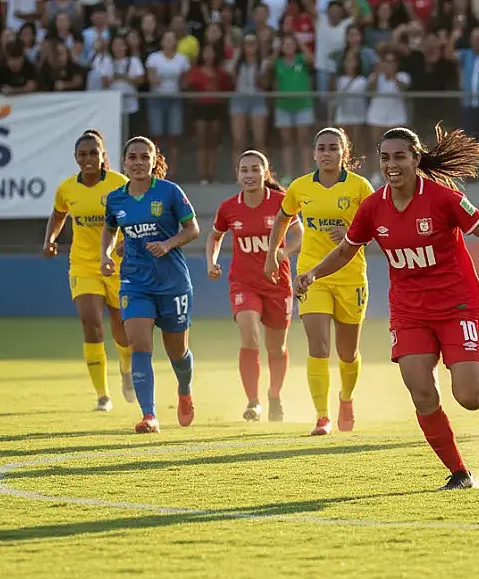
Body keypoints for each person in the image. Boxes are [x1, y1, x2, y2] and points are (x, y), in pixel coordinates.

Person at [294, 125, 479, 491]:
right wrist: (312, 274)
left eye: (400, 156)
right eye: (385, 157)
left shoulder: (443, 198)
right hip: (409, 311)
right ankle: (459, 473)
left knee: (467, 398)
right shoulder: (373, 207)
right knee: (421, 390)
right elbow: (346, 250)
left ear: (415, 159)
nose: (391, 164)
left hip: (457, 305)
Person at [265, 127, 374, 436]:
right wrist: (273, 252)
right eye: (321, 148)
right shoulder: (300, 188)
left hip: (351, 276)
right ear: (314, 153)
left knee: (348, 352)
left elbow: (378, 223)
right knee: (319, 345)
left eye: (333, 148)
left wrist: (354, 234)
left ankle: (346, 399)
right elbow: (282, 219)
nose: (326, 153)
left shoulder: (360, 187)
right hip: (311, 275)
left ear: (344, 154)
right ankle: (322, 416)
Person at [101, 136, 201, 434]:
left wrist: (168, 244)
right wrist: (106, 253)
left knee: (177, 353)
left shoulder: (170, 192)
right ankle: (149, 415)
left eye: (145, 157)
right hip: (135, 282)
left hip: (172, 283)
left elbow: (193, 228)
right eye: (133, 157)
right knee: (139, 345)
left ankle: (184, 390)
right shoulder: (116, 198)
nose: (138, 162)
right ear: (124, 162)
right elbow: (110, 229)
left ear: (154, 161)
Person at [205, 150, 303, 422]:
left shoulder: (282, 203)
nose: (249, 175)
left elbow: (298, 234)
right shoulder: (228, 207)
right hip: (243, 282)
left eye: (254, 169)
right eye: (244, 170)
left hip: (277, 283)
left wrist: (283, 254)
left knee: (276, 348)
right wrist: (211, 262)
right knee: (249, 335)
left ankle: (274, 395)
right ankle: (253, 402)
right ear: (237, 175)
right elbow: (214, 237)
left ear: (265, 173)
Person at [45, 129, 135, 412]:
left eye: (93, 153)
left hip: (119, 266)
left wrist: (127, 243)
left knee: (122, 330)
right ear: (75, 157)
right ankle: (102, 396)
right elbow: (58, 214)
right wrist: (50, 239)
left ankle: (126, 367)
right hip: (84, 264)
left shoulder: (120, 184)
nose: (88, 159)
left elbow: (136, 217)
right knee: (91, 322)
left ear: (103, 156)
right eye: (82, 154)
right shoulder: (67, 188)